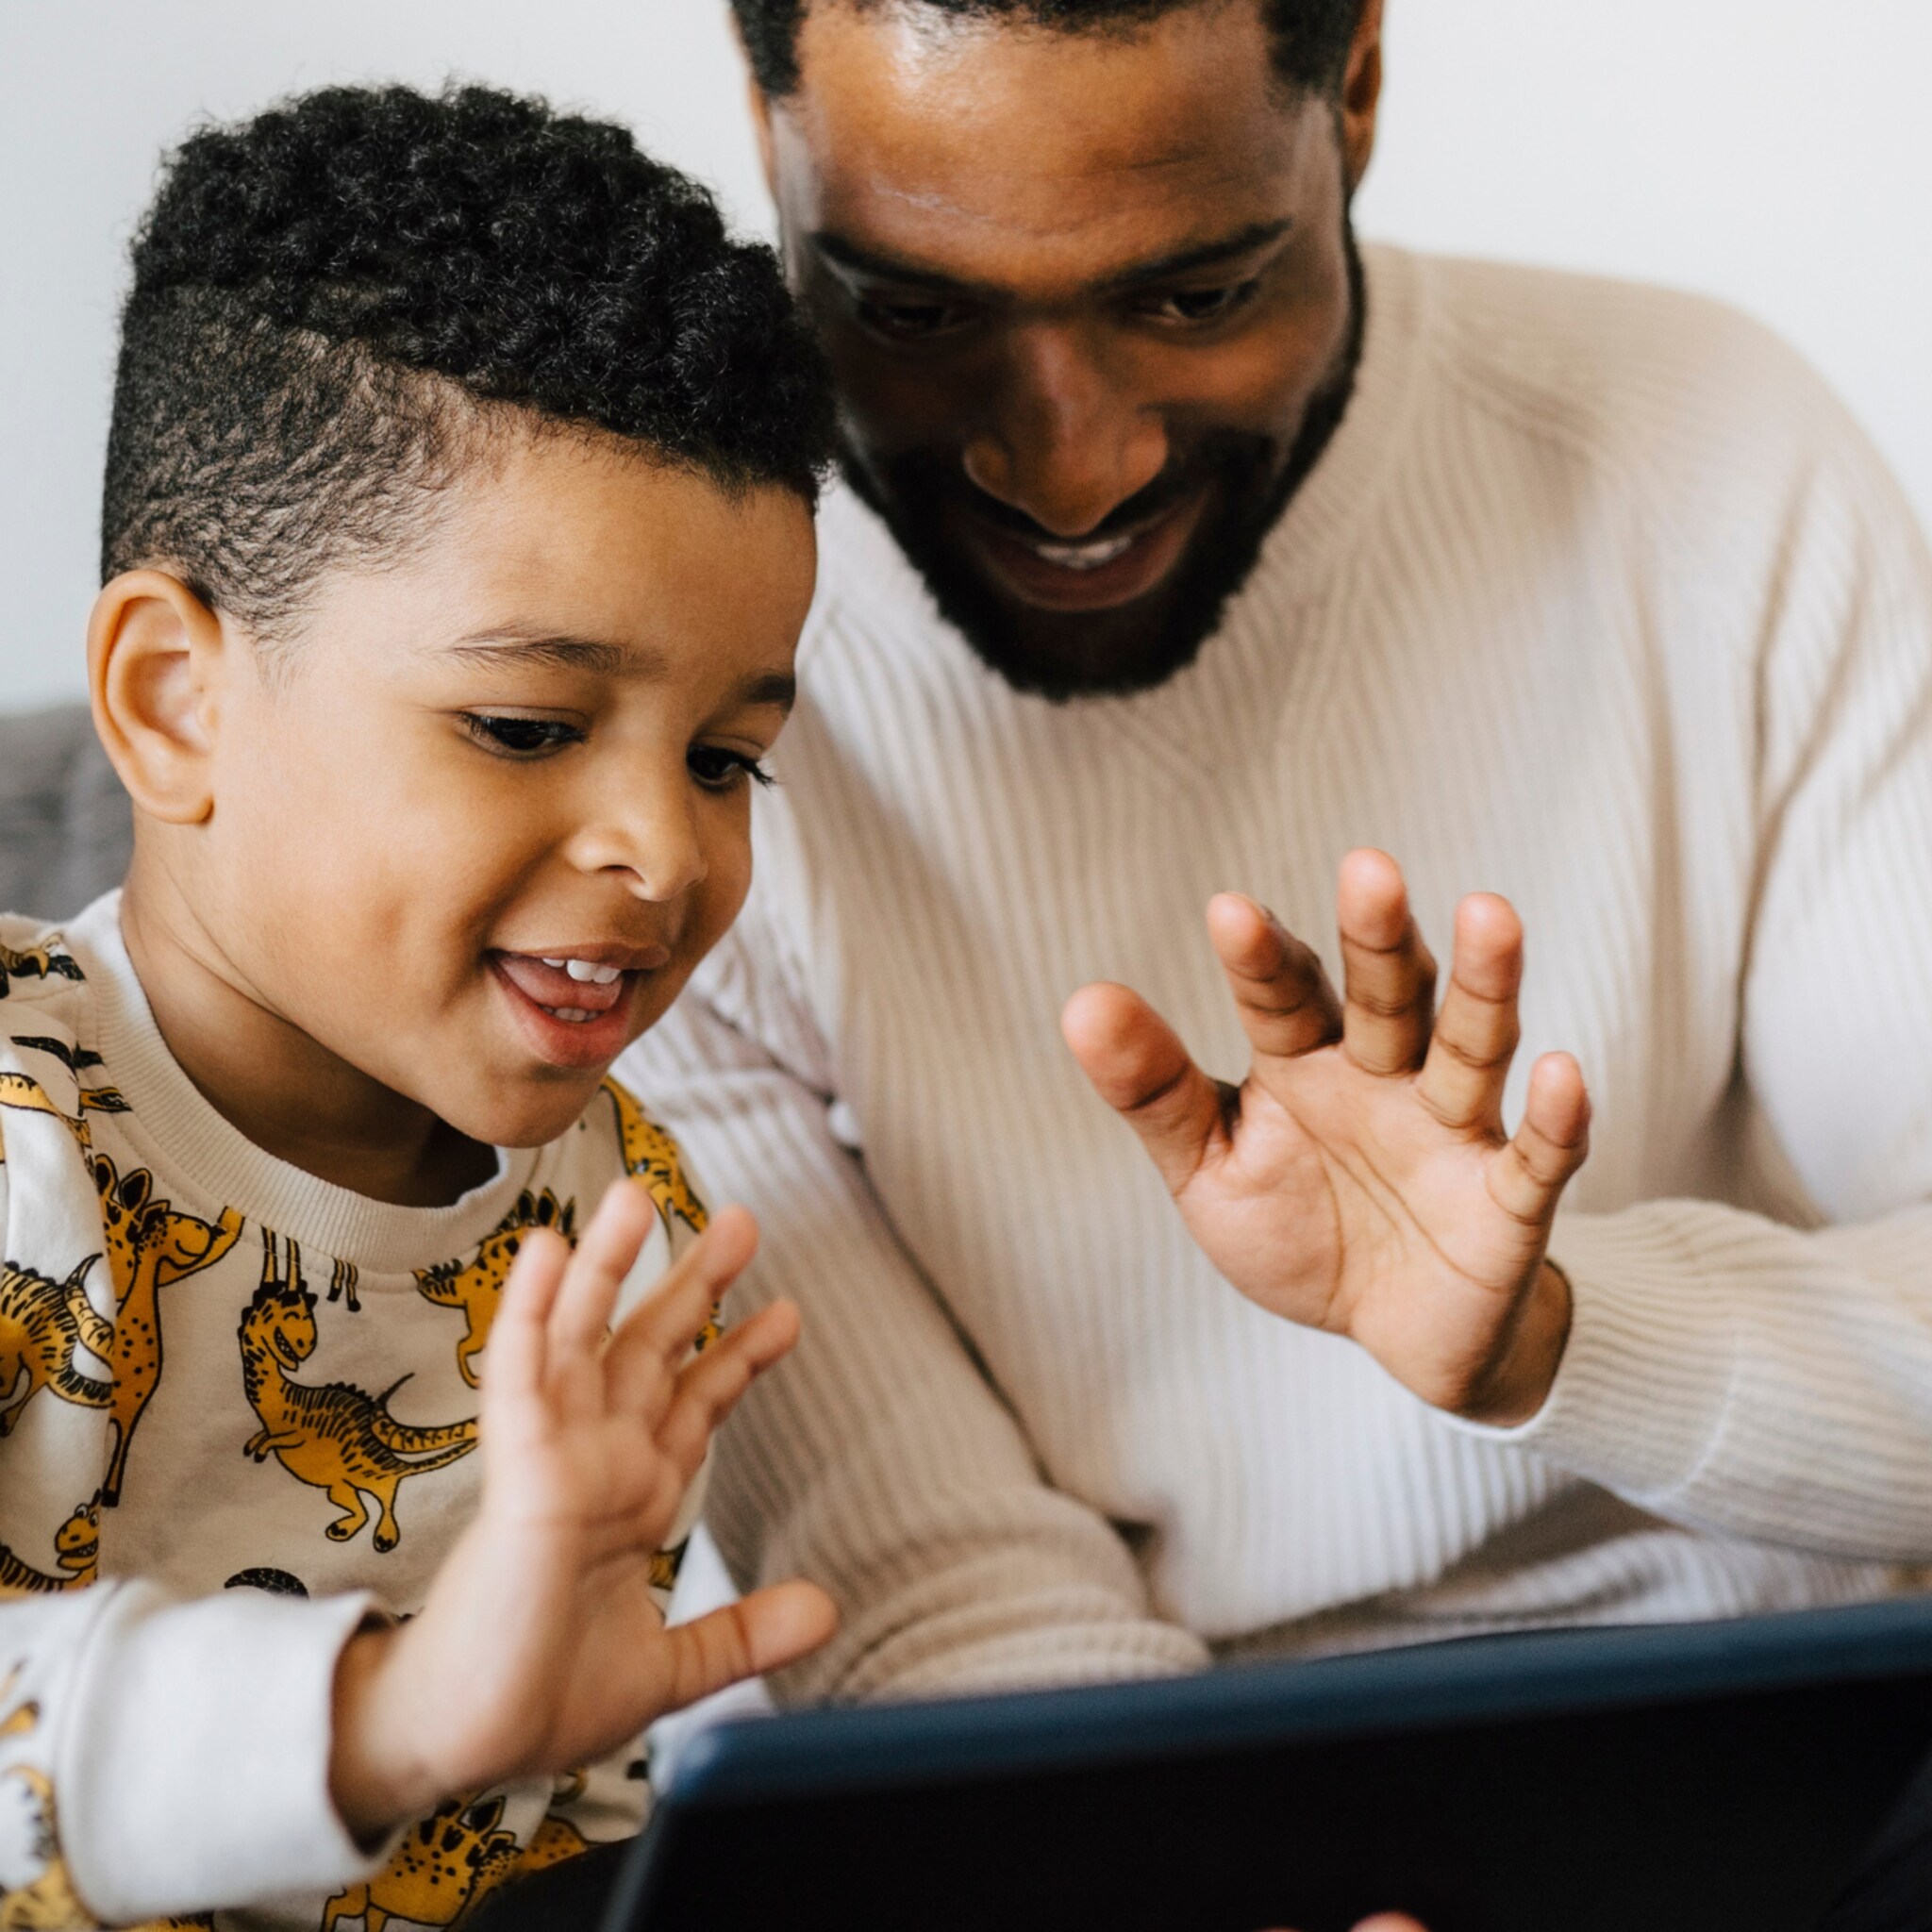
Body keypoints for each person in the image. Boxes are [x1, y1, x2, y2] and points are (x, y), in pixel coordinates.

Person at [620, 0, 1932, 1701]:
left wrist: (1556, 1337)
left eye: (1195, 297)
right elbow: (936, 1590)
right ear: (763, 119)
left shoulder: (1711, 460)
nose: (1072, 470)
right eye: (915, 310)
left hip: (1808, 1726)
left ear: (1359, 86)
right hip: (1127, 1812)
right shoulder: (662, 711)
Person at [0, 83, 840, 1925]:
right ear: (169, 701)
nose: (659, 849)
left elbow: (549, 1813)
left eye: (725, 758)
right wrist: (388, 1716)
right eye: (527, 727)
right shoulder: (17, 1139)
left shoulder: (620, 1226)